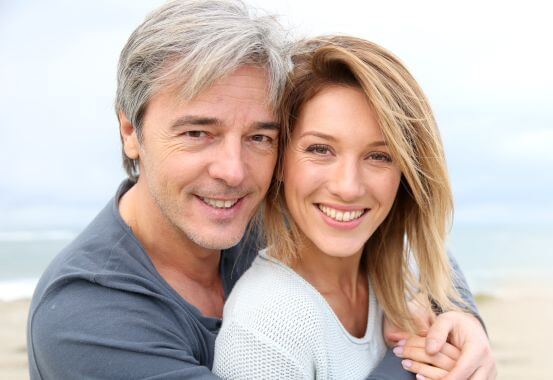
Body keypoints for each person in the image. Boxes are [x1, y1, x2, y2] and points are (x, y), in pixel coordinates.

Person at [26, 0, 492, 379]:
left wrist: (458, 317)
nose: (233, 171)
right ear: (131, 130)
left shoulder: (263, 211)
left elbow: (405, 239)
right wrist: (415, 364)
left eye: (259, 137)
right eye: (197, 133)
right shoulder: (85, 318)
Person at [213, 35, 495, 380]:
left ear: (405, 173)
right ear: (281, 160)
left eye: (379, 156)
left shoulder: (406, 274)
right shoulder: (266, 329)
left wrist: (465, 331)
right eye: (320, 149)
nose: (348, 187)